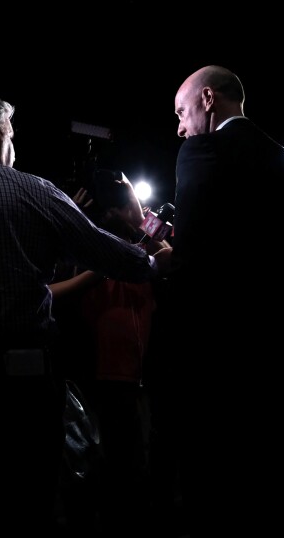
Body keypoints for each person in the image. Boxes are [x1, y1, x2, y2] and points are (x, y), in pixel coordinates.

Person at [0, 89, 171, 535]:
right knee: (23, 500)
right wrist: (153, 261)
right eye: (11, 131)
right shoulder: (28, 189)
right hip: (16, 385)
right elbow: (104, 251)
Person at [166, 65, 284, 536]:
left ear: (208, 99)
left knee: (217, 487)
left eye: (181, 111)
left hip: (221, 358)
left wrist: (166, 258)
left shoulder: (201, 151)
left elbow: (195, 260)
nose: (180, 126)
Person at [49, 173, 169, 536]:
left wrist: (152, 228)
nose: (143, 206)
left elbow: (177, 258)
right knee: (114, 469)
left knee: (135, 465)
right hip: (102, 379)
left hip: (139, 377)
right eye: (134, 200)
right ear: (115, 210)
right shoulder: (93, 252)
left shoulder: (145, 249)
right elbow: (52, 292)